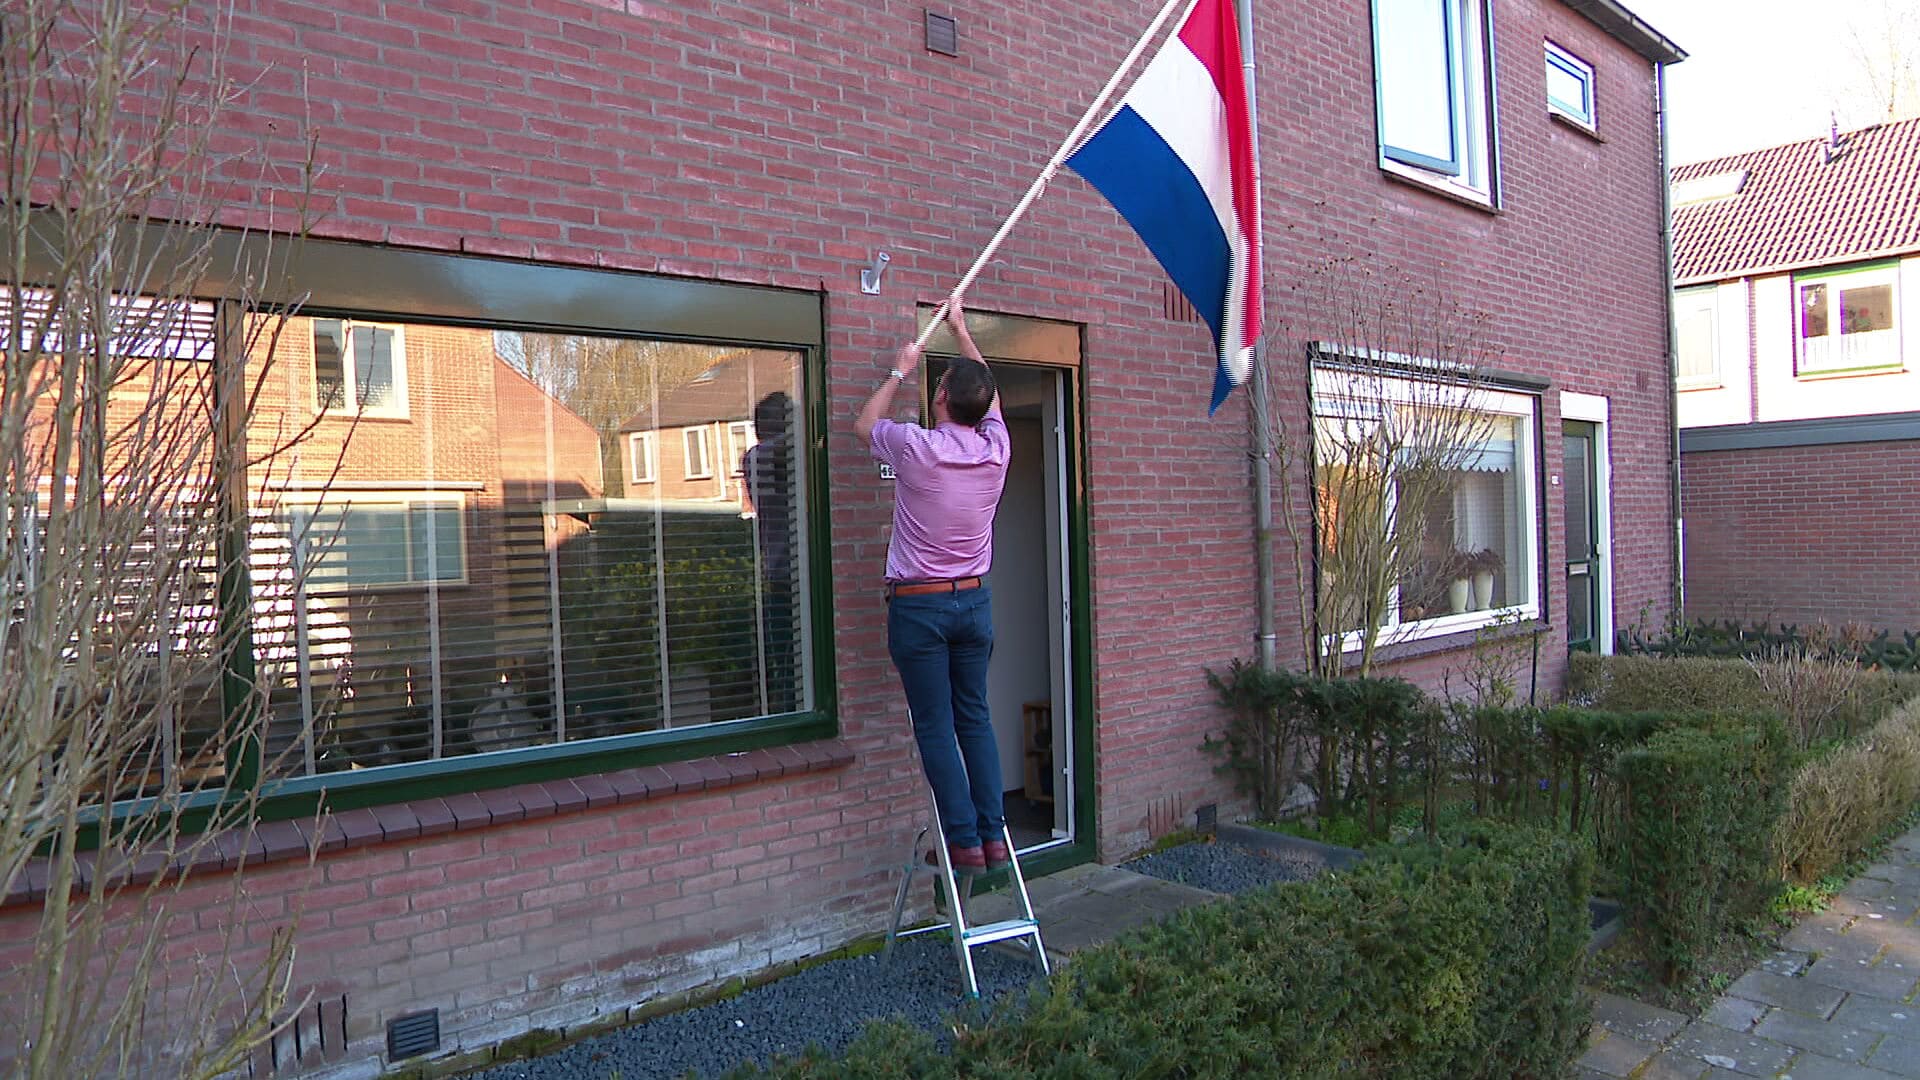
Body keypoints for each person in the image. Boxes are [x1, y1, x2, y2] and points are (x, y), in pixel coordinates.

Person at [855, 296, 1010, 873]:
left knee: (936, 725)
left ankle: (964, 842)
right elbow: (987, 393)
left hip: (920, 610)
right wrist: (963, 332)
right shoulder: (997, 450)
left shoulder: (918, 448)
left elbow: (864, 425)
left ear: (941, 398)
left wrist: (900, 369)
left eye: (939, 384)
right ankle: (993, 837)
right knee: (974, 716)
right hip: (974, 602)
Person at [741, 391, 798, 712]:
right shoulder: (758, 457)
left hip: (783, 572)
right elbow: (789, 445)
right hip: (783, 574)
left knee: (790, 659)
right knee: (788, 665)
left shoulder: (780, 456)